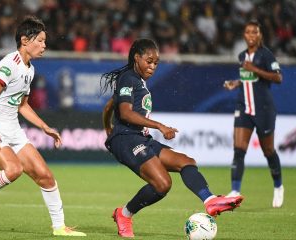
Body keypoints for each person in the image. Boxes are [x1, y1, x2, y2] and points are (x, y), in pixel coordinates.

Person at [101, 38, 244, 238]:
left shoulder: (136, 81)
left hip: (140, 137)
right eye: (148, 61)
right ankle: (123, 215)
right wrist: (158, 126)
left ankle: (210, 200)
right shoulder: (128, 78)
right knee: (163, 184)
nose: (152, 67)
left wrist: (107, 126)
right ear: (136, 57)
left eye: (156, 63)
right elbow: (125, 113)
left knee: (186, 162)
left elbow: (110, 105)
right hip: (126, 139)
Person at [0, 16, 86, 237]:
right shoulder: (11, 64)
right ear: (25, 40)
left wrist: (44, 127)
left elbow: (22, 106)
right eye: (40, 40)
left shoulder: (29, 70)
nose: (44, 45)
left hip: (13, 129)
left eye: (45, 41)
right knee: (14, 169)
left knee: (45, 175)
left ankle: (59, 227)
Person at [223, 20, 284, 208]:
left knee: (268, 151)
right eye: (248, 32)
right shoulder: (242, 56)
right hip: (244, 108)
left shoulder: (266, 55)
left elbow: (278, 77)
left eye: (254, 32)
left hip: (263, 109)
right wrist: (236, 83)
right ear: (244, 35)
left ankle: (278, 186)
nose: (251, 35)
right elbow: (247, 79)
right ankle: (234, 190)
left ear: (259, 35)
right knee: (239, 149)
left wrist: (255, 69)